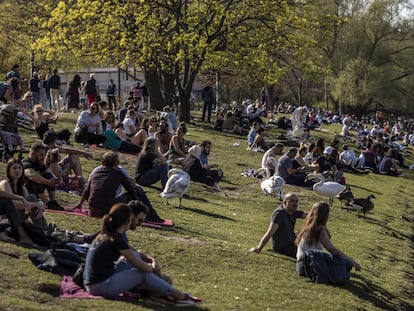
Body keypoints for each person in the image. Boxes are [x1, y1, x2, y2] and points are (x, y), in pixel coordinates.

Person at [82, 203, 202, 306]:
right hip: (99, 286)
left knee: (139, 261)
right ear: (127, 221)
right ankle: (179, 296)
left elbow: (134, 253)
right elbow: (140, 266)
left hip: (97, 281)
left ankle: (159, 293)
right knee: (141, 272)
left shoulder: (108, 234)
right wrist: (151, 269)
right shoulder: (116, 239)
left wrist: (152, 261)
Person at [295, 201, 361, 277]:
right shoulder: (319, 230)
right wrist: (352, 261)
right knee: (347, 264)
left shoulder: (307, 226)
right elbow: (332, 249)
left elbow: (328, 236)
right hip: (310, 266)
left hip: (300, 265)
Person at [76, 151, 138, 217]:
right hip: (108, 209)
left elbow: (86, 190)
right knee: (134, 192)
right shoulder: (119, 174)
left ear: (102, 162)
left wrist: (80, 203)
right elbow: (131, 190)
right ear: (116, 163)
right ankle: (140, 212)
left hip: (93, 209)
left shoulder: (95, 173)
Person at [249, 193, 307, 258]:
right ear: (285, 202)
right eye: (292, 201)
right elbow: (269, 233)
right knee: (308, 254)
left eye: (296, 201)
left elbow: (310, 216)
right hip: (283, 248)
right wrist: (258, 249)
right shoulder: (279, 214)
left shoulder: (293, 211)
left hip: (293, 244)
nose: (295, 204)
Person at [0, 158, 48, 231]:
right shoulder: (4, 184)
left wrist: (39, 206)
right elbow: (13, 204)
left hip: (18, 216)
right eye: (14, 168)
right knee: (32, 198)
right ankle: (44, 230)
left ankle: (43, 230)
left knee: (32, 198)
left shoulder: (22, 187)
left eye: (19, 168)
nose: (17, 170)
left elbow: (28, 205)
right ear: (9, 171)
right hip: (6, 219)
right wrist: (36, 204)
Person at [22, 142, 63, 210]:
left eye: (44, 155)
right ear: (33, 154)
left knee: (47, 175)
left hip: (34, 192)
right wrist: (47, 182)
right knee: (35, 179)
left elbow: (48, 173)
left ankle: (52, 201)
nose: (43, 157)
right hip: (24, 193)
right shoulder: (25, 163)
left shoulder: (39, 164)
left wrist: (55, 180)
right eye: (41, 155)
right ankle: (47, 202)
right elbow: (31, 175)